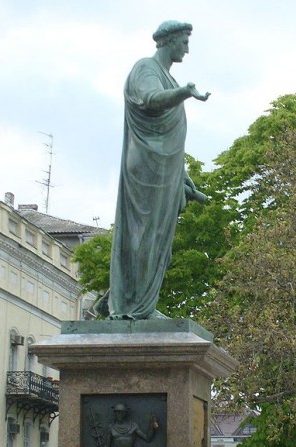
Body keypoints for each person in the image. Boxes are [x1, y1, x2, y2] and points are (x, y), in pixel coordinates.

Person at [108, 20, 210, 320]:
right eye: (184, 42)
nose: (187, 49)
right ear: (169, 40)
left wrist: (183, 176)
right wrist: (184, 92)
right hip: (146, 167)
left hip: (164, 168)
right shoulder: (146, 69)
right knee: (145, 235)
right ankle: (134, 306)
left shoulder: (164, 75)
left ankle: (138, 302)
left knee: (158, 238)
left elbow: (170, 140)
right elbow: (151, 100)